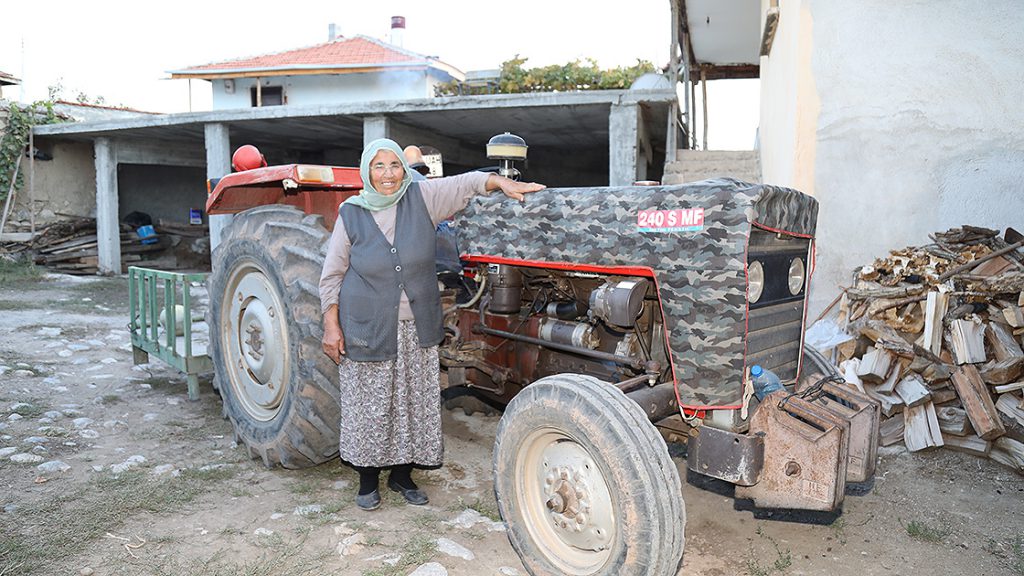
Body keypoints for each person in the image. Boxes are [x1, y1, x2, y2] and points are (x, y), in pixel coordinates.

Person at [318, 138, 544, 511]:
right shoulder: (351, 213)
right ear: (366, 171)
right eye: (379, 166)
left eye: (394, 165)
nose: (388, 174)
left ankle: (403, 476)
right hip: (367, 325)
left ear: (403, 170)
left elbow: (465, 184)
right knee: (371, 405)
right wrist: (331, 326)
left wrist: (498, 181)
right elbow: (332, 275)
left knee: (413, 401)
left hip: (416, 325)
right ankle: (368, 479)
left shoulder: (422, 197)